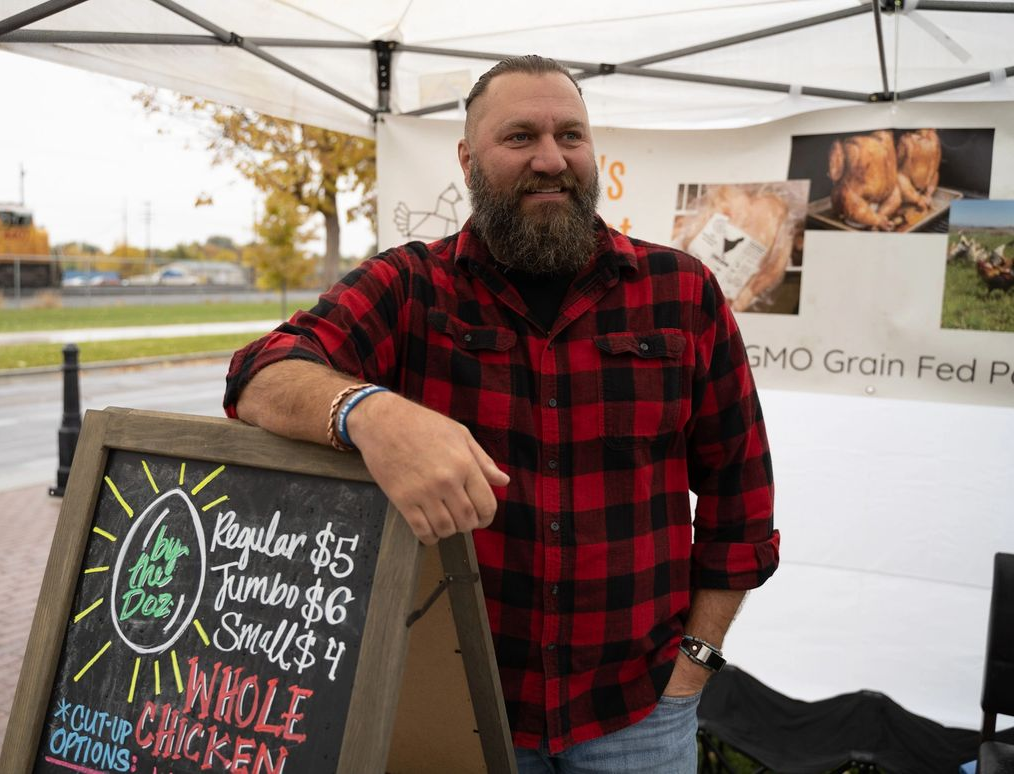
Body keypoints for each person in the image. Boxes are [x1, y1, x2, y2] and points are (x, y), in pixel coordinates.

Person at [224, 54, 779, 774]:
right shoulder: (412, 287)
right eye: (520, 137)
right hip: (460, 715)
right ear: (467, 159)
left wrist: (694, 667)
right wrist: (368, 411)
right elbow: (258, 375)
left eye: (570, 136)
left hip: (637, 714)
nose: (552, 159)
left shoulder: (681, 291)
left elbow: (741, 500)